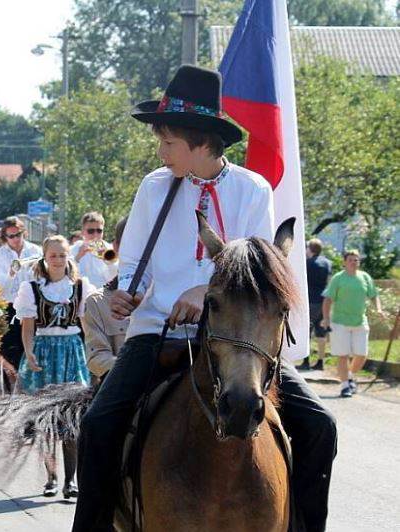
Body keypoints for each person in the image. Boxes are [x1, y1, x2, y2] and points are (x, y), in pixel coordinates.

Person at [73, 65, 337, 532]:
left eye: (168, 142)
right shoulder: (154, 186)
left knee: (320, 426)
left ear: (198, 142)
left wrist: (203, 288)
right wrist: (126, 293)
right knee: (97, 424)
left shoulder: (251, 188)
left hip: (237, 333)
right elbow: (134, 259)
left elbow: (260, 267)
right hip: (159, 330)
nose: (160, 151)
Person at [15, 235, 94, 498]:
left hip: (72, 350)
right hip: (45, 349)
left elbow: (86, 325)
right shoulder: (32, 288)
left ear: (68, 257)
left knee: (71, 418)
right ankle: (50, 478)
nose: (58, 260)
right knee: (47, 420)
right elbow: (27, 326)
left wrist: (94, 351)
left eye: (62, 255)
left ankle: (70, 481)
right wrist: (29, 351)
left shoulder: (80, 287)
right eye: (53, 255)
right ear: (45, 258)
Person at [0, 216, 42, 394]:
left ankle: (30, 392)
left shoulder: (36, 251)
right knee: (10, 352)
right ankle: (9, 394)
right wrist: (10, 274)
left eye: (18, 234)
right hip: (10, 309)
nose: (16, 239)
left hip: (34, 308)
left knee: (32, 351)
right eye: (11, 236)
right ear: (5, 238)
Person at [321, 250, 384, 398]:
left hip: (360, 321)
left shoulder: (364, 277)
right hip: (340, 323)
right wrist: (326, 318)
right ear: (344, 262)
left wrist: (379, 309)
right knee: (343, 355)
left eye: (356, 260)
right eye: (351, 260)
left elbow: (374, 295)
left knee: (362, 354)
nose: (354, 262)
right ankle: (344, 386)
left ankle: (350, 375)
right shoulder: (338, 278)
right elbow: (328, 299)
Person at [82, 217, 129, 385]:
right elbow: (97, 357)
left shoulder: (176, 296)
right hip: (123, 386)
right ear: (116, 246)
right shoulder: (96, 302)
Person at [300, 238, 332, 371]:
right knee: (321, 332)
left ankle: (306, 361)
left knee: (307, 330)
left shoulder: (307, 263)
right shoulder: (327, 263)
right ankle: (320, 361)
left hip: (310, 300)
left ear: (310, 249)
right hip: (324, 300)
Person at [70, 212, 116, 288]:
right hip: (80, 293)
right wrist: (77, 258)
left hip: (103, 293)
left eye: (99, 231)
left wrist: (107, 259)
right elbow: (66, 275)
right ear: (83, 232)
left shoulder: (109, 248)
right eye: (91, 231)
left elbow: (116, 276)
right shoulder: (74, 249)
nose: (95, 235)